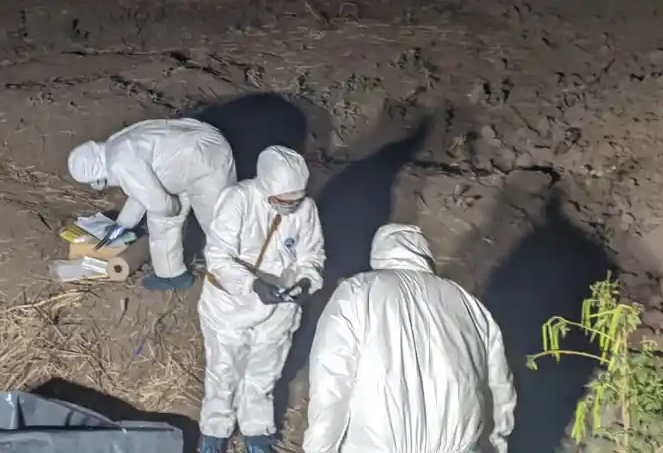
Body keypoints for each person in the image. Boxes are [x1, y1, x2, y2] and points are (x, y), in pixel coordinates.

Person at [302, 224, 516, 453]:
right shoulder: (468, 305)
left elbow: (332, 382)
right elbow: (499, 384)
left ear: (379, 253)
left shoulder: (357, 293)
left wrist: (321, 448)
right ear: (425, 255)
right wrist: (497, 443)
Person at [197, 145, 324, 453]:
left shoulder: (305, 209)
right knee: (223, 370)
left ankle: (256, 431)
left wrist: (308, 280)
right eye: (284, 201)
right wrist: (252, 285)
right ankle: (215, 430)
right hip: (231, 304)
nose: (291, 208)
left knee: (264, 372)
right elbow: (217, 257)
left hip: (280, 306)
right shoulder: (237, 200)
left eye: (296, 200)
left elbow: (312, 254)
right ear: (266, 188)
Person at [67, 118, 236, 291]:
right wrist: (122, 225)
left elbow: (159, 204)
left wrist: (172, 210)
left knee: (217, 222)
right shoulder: (115, 146)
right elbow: (141, 192)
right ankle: (172, 274)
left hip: (204, 158)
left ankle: (238, 272)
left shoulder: (120, 163)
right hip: (191, 152)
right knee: (206, 219)